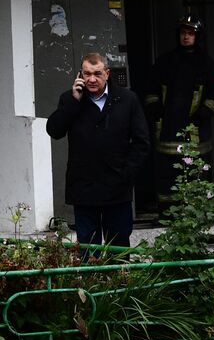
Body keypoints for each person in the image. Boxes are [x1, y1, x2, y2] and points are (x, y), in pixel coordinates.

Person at [46, 52, 150, 255]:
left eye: (97, 73)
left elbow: (142, 142)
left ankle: (119, 285)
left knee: (118, 251)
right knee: (88, 249)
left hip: (117, 188)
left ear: (107, 73)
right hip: (84, 188)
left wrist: (127, 174)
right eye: (86, 74)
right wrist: (74, 103)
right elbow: (54, 131)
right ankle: (91, 286)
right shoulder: (70, 99)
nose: (92, 79)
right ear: (80, 75)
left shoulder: (127, 99)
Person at [143, 15, 214, 213]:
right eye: (183, 33)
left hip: (196, 130)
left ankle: (196, 214)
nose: (186, 37)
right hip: (167, 128)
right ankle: (167, 212)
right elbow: (150, 88)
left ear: (198, 37)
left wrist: (203, 114)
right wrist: (155, 110)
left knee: (197, 171)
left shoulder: (207, 64)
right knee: (166, 173)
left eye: (190, 34)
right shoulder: (165, 61)